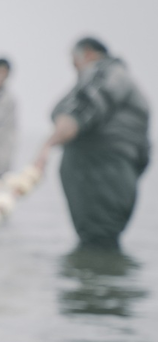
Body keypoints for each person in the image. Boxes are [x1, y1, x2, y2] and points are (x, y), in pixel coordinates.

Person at [35, 37, 151, 249]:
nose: (74, 68)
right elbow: (144, 154)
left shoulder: (106, 72)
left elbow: (83, 107)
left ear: (87, 53)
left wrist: (46, 147)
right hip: (118, 182)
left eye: (73, 61)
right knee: (103, 244)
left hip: (99, 180)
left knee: (96, 246)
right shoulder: (127, 84)